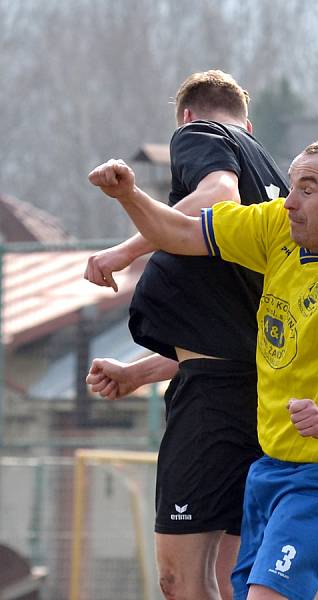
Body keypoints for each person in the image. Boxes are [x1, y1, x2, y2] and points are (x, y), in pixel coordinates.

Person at [86, 138, 318, 600]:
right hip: (271, 469)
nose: (290, 201)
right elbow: (181, 234)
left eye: (308, 189)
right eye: (291, 185)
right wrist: (129, 195)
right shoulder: (279, 227)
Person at [83, 70, 289, 600]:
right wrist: (135, 373)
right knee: (236, 579)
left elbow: (215, 196)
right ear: (249, 122)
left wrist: (123, 250)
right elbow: (226, 336)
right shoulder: (278, 185)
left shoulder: (204, 134)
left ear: (187, 116)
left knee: (180, 579)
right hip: (263, 393)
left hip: (214, 404)